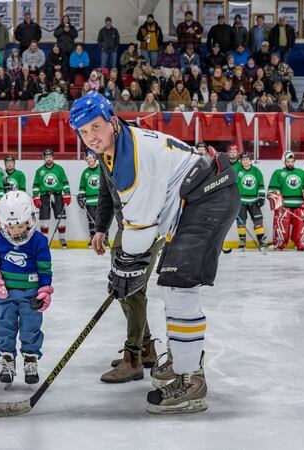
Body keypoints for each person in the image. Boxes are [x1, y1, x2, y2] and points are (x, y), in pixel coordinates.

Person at [70, 92, 238, 413]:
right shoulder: (119, 148)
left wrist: (124, 269)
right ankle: (182, 360)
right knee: (171, 287)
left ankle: (191, 380)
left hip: (207, 197)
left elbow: (140, 230)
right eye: (83, 132)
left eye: (96, 127)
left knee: (178, 288)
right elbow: (139, 229)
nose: (91, 137)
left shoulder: (129, 157)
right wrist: (126, 267)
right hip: (193, 202)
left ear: (112, 122)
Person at [0, 190, 53, 385]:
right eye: (11, 226)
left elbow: (45, 269)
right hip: (5, 294)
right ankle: (7, 358)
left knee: (30, 327)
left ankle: (30, 359)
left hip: (31, 294)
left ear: (30, 220)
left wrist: (45, 289)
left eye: (21, 225)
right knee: (4, 324)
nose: (16, 231)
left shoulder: (39, 241)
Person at [267, 151, 304, 251]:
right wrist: (276, 198)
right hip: (284, 205)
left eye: (292, 161)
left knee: (302, 225)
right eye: (288, 161)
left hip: (299, 205)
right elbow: (272, 190)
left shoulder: (301, 173)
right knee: (282, 225)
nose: (290, 163)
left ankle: (301, 243)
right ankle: (280, 243)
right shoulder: (278, 173)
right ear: (284, 161)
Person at [31, 149, 70, 248]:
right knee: (44, 220)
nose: (48, 159)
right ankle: (44, 241)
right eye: (46, 157)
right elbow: (36, 185)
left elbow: (65, 182)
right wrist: (36, 197)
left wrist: (67, 194)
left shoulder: (59, 169)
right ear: (44, 158)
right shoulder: (39, 171)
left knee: (61, 219)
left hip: (57, 195)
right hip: (44, 196)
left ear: (53, 157)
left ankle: (62, 239)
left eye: (50, 157)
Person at [233, 152, 268, 249]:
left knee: (258, 220)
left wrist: (261, 196)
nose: (246, 162)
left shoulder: (256, 171)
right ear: (241, 161)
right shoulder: (237, 171)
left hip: (254, 201)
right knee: (241, 222)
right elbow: (234, 186)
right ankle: (242, 240)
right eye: (243, 160)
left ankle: (261, 240)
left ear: (250, 160)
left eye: (247, 160)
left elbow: (261, 185)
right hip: (241, 201)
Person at [77, 150, 101, 245]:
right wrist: (81, 197)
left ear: (94, 158)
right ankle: (92, 238)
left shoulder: (102, 170)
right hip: (89, 201)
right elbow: (82, 187)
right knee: (91, 220)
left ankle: (104, 238)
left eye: (90, 158)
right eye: (87, 159)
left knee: (102, 219)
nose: (89, 160)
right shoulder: (85, 173)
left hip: (101, 200)